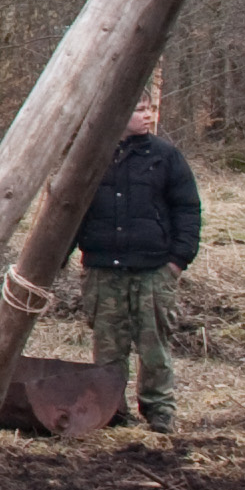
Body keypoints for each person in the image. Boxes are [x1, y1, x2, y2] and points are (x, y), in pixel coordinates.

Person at [79, 86, 204, 434]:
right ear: (119, 112)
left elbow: (188, 209)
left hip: (154, 270)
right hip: (103, 270)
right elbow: (70, 210)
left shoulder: (166, 156)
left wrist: (178, 260)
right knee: (108, 348)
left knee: (154, 348)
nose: (147, 115)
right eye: (139, 109)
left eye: (150, 109)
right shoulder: (92, 156)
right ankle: (111, 411)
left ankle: (159, 412)